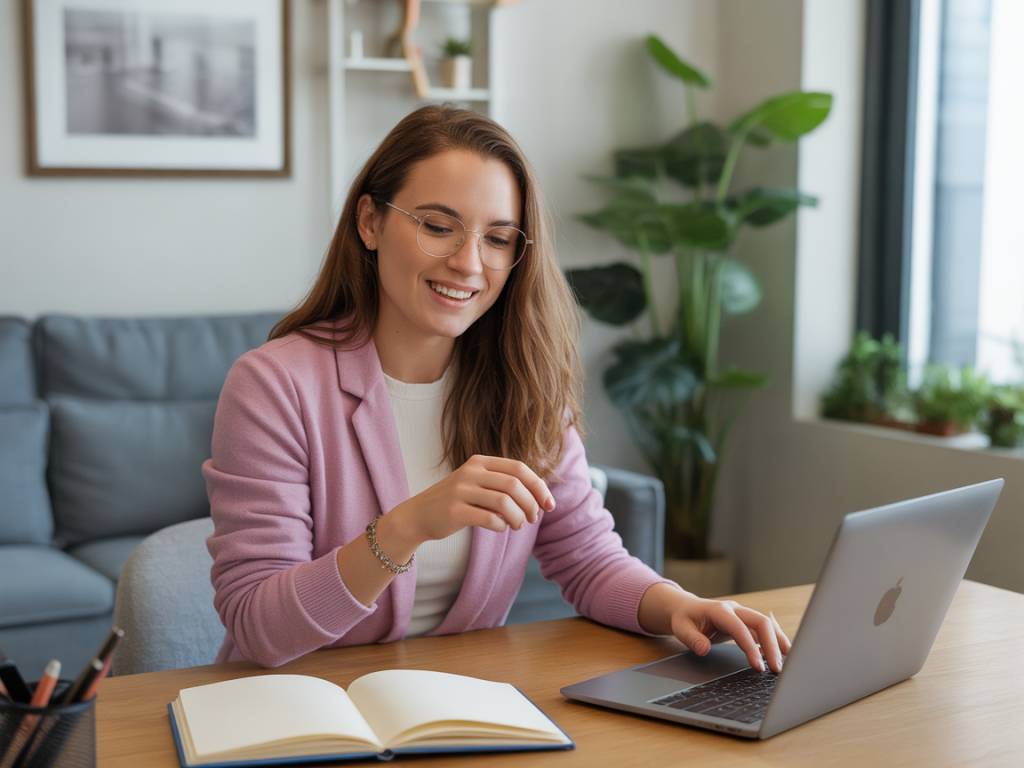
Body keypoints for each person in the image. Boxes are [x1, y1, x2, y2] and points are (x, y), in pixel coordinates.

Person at [202, 104, 792, 671]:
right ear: (369, 222)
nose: (468, 263)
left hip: (454, 710)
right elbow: (259, 626)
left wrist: (681, 607)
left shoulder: (523, 381)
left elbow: (586, 559)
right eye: (438, 226)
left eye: (498, 238)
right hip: (299, 711)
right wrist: (408, 526)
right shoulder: (274, 386)